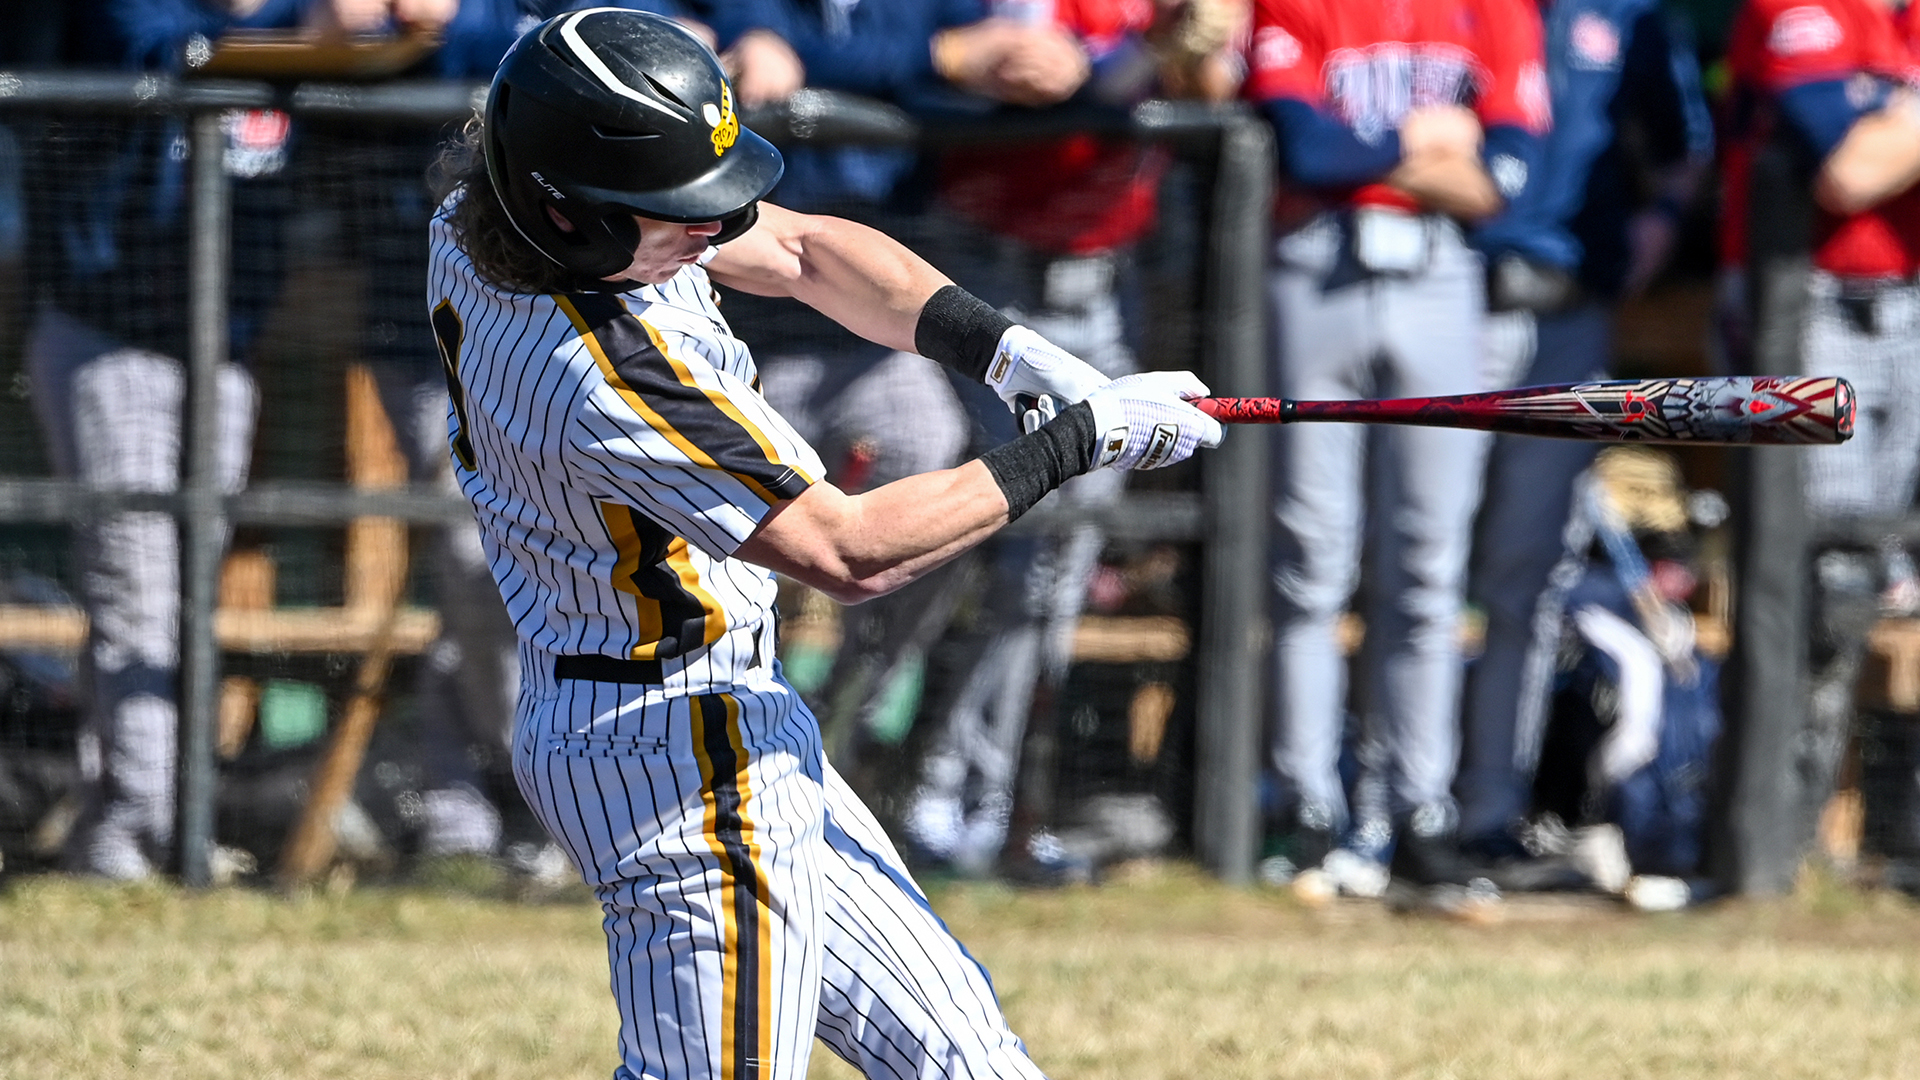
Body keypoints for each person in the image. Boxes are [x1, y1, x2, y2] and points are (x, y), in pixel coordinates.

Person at [428, 10, 1220, 1078]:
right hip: (671, 754)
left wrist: (1013, 356)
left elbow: (799, 249)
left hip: (728, 721)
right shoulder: (605, 367)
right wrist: (1082, 443)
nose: (710, 231)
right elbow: (851, 552)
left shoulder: (496, 210)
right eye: (676, 215)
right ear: (568, 213)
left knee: (969, 1060)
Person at [1245, 0, 1550, 896]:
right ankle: (1305, 806)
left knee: (1428, 564)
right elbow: (1307, 149)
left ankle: (1418, 809)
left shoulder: (1494, 11)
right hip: (1314, 266)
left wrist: (1376, 150)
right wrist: (1424, 140)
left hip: (1440, 272)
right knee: (1311, 558)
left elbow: (1510, 177)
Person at [24, 0, 318, 879]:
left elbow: (401, 38)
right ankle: (141, 829)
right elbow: (153, 44)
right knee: (136, 582)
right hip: (107, 334)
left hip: (226, 343)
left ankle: (152, 816)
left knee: (185, 586)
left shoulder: (303, 14)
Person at [1455, 0, 1714, 868]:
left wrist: (1661, 223)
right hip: (1456, 296)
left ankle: (1495, 810)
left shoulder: (1630, 14)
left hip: (1569, 308)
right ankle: (1386, 810)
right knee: (1409, 566)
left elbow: (1686, 143)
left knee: (1530, 573)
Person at [1723, 0, 1920, 868]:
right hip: (1814, 306)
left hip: (1907, 304)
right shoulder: (1798, 8)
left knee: (1883, 576)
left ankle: (1872, 832)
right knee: (1822, 585)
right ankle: (1788, 837)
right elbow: (1852, 170)